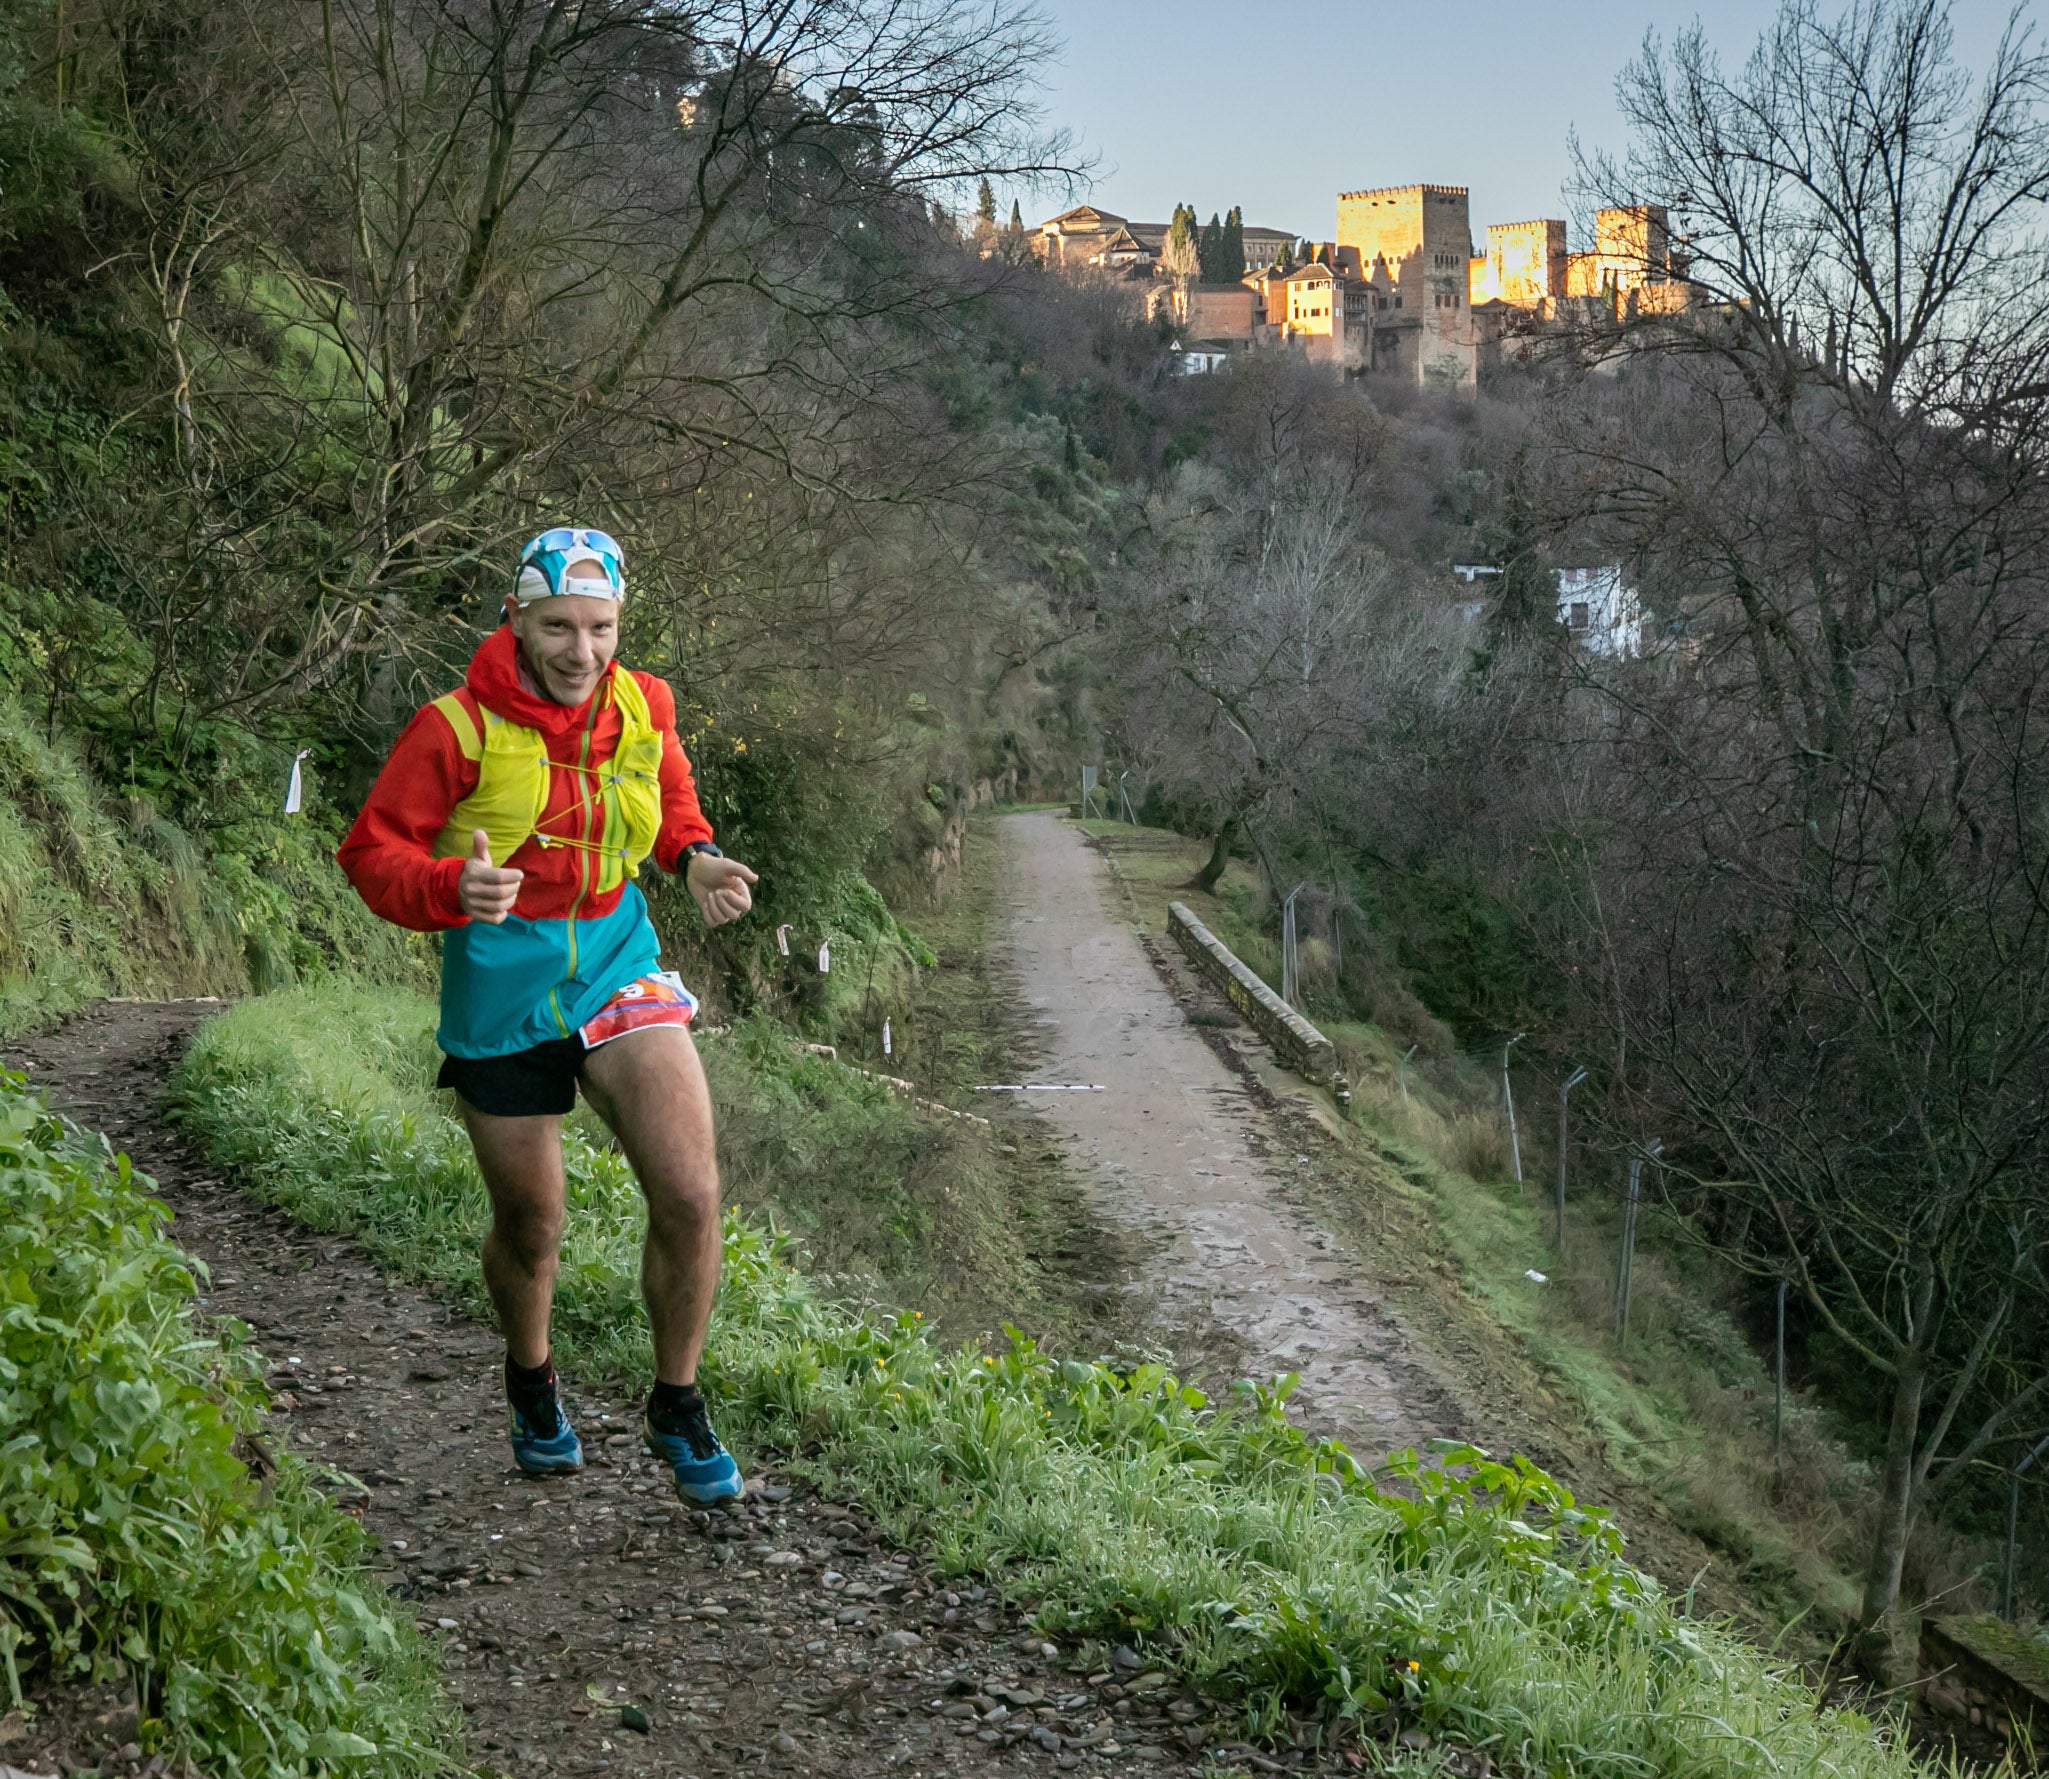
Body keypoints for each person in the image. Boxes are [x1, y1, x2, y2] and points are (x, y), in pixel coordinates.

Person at [338, 527, 759, 1504]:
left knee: (692, 1195)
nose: (581, 651)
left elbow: (668, 802)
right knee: (534, 1226)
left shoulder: (644, 706)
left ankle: (678, 1403)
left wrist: (693, 859)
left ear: (621, 625)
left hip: (617, 957)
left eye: (600, 628)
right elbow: (370, 855)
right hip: (501, 985)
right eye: (559, 627)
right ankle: (531, 1382)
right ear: (517, 622)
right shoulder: (455, 729)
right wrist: (450, 886)